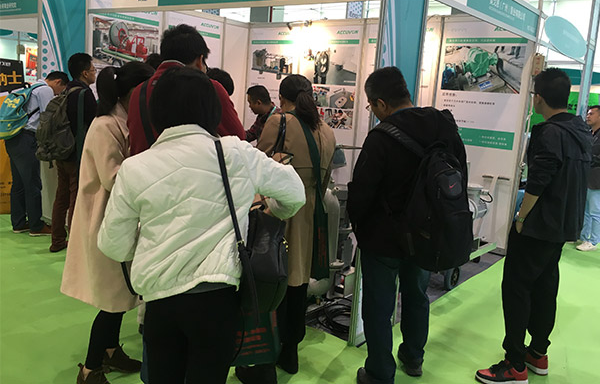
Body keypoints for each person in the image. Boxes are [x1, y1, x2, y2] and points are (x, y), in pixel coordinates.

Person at [97, 67, 306, 384]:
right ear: (213, 110)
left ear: (156, 112)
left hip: (159, 300)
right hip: (217, 299)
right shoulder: (236, 152)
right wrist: (268, 209)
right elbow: (295, 194)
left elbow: (113, 245)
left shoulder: (134, 167)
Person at [347, 67, 467, 384]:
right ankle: (413, 357)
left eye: (372, 105)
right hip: (428, 234)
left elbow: (361, 192)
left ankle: (379, 373)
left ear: (381, 103)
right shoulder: (445, 128)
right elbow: (459, 177)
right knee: (417, 296)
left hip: (383, 239)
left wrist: (359, 227)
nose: (373, 112)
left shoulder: (381, 138)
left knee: (378, 307)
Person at [476, 68, 591, 384]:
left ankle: (514, 363)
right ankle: (538, 352)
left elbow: (539, 182)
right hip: (562, 226)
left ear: (538, 98)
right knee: (545, 286)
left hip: (538, 225)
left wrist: (521, 218)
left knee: (516, 289)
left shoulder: (548, 133)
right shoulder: (580, 130)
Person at [236, 74, 336, 384]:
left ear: (281, 97)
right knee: (298, 281)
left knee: (270, 279)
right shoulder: (327, 130)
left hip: (279, 211)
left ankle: (265, 354)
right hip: (312, 214)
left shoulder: (278, 122)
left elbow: (260, 168)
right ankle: (291, 349)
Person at [61, 61, 153, 384]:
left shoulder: (122, 121)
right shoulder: (104, 126)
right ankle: (90, 369)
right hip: (102, 219)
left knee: (122, 294)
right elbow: (113, 177)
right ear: (133, 92)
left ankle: (111, 351)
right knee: (113, 298)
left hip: (116, 218)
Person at [128, 24, 245, 156]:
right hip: (194, 168)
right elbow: (238, 140)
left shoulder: (138, 92)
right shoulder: (210, 89)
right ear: (200, 61)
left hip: (144, 167)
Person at [5, 71, 68, 238]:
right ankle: (36, 225)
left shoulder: (30, 87)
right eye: (60, 90)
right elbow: (49, 117)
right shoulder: (45, 90)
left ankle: (19, 223)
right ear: (58, 82)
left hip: (13, 138)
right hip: (27, 139)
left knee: (18, 183)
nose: (58, 94)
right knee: (32, 183)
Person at [50, 53, 98, 253]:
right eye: (93, 69)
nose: (95, 73)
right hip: (76, 153)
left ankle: (57, 240)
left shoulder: (66, 91)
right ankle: (75, 244)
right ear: (85, 73)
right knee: (75, 198)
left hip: (61, 151)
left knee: (61, 197)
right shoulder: (85, 94)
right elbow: (94, 122)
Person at [577, 104, 600, 251]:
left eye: (591, 114)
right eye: (588, 113)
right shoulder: (590, 134)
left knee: (595, 211)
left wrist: (587, 159)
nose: (588, 116)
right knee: (585, 210)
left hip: (597, 179)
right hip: (586, 177)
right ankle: (584, 237)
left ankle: (594, 241)